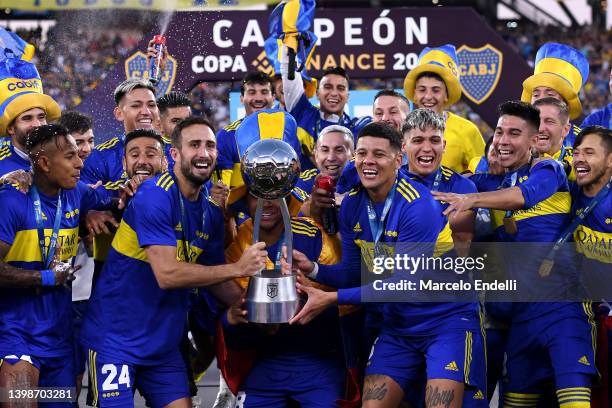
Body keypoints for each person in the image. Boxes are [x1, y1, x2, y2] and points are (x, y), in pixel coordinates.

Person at [290, 122, 485, 407]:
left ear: (398, 160)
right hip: (397, 326)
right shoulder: (353, 205)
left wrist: (331, 299)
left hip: (447, 321)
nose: (368, 161)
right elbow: (354, 272)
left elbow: (404, 285)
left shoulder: (418, 206)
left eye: (379, 155)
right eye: (362, 153)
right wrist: (315, 269)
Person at [80, 117, 267, 408]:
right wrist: (239, 268)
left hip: (164, 346)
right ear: (175, 154)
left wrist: (256, 305)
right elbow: (167, 274)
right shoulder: (154, 195)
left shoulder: (210, 209)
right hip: (116, 341)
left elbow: (217, 279)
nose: (203, 153)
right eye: (194, 145)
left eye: (210, 146)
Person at [434, 101, 597, 407]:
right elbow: (444, 190)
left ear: (534, 141)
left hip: (562, 309)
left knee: (575, 402)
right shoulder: (489, 183)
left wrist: (471, 200)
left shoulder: (549, 170)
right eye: (499, 132)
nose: (503, 140)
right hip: (519, 320)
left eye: (514, 133)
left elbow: (525, 196)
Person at [0, 124, 112, 405]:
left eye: (79, 155)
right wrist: (47, 278)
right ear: (45, 163)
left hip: (60, 340)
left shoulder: (78, 194)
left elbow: (116, 199)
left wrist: (98, 212)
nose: (79, 162)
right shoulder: (11, 201)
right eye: (70, 157)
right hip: (16, 335)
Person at [220, 188, 347, 407]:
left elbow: (349, 309)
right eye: (256, 196)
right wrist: (231, 320)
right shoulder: (240, 244)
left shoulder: (315, 235)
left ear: (288, 200)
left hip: (319, 362)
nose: (265, 204)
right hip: (267, 364)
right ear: (245, 202)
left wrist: (315, 294)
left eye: (273, 196)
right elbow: (238, 339)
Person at [570, 126, 611, 401]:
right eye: (576, 152)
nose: (580, 158)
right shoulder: (566, 194)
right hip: (581, 315)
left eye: (589, 152)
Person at [401, 108, 478, 252]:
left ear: (444, 146)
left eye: (434, 140)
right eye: (418, 140)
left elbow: (461, 244)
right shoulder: (390, 183)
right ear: (404, 146)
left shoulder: (462, 187)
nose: (427, 148)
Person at [403, 44, 484, 173]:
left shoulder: (468, 130)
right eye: (422, 90)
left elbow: (483, 174)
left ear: (446, 95)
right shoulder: (401, 129)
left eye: (436, 90)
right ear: (414, 93)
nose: (428, 96)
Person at [282, 56, 371, 170]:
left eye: (340, 88)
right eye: (328, 87)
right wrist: (289, 50)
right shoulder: (303, 112)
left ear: (347, 96)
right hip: (301, 186)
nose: (334, 93)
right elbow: (289, 76)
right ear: (318, 93)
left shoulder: (355, 129)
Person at [80, 78, 158, 185]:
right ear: (119, 113)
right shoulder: (99, 157)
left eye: (151, 105)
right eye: (136, 105)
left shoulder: (175, 151)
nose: (146, 112)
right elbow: (87, 197)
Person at [0, 57, 61, 176]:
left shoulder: (61, 158)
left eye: (41, 117)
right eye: (27, 118)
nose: (37, 124)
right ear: (10, 128)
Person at [522, 42, 589, 149]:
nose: (540, 100)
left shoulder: (583, 144)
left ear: (565, 105)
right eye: (536, 94)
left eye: (550, 94)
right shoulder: (513, 136)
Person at [216, 72, 275, 193]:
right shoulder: (226, 136)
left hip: (281, 210)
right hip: (241, 211)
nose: (258, 98)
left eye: (264, 92)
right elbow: (222, 193)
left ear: (273, 98)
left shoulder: (288, 131)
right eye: (252, 92)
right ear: (242, 99)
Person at [291, 125, 354, 215]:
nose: (331, 158)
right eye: (325, 150)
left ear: (353, 155)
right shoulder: (302, 181)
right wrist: (311, 207)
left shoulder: (363, 182)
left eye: (339, 150)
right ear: (316, 155)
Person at [532, 97, 575, 179]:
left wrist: (563, 167)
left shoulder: (578, 160)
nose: (540, 129)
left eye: (549, 121)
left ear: (565, 130)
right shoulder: (514, 159)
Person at [156, 91, 192, 168]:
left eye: (188, 120)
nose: (184, 125)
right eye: (176, 121)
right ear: (160, 125)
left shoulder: (205, 150)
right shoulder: (152, 153)